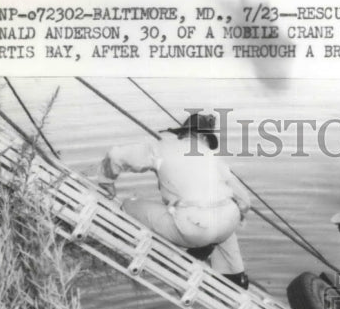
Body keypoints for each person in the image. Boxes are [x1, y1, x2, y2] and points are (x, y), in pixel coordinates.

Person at [98, 112, 253, 289]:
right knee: (224, 218)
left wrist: (106, 180)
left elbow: (116, 155)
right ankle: (235, 277)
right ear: (203, 137)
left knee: (127, 205)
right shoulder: (214, 159)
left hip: (193, 226)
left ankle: (201, 242)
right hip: (227, 223)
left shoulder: (161, 148)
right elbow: (245, 201)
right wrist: (237, 217)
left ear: (183, 134)